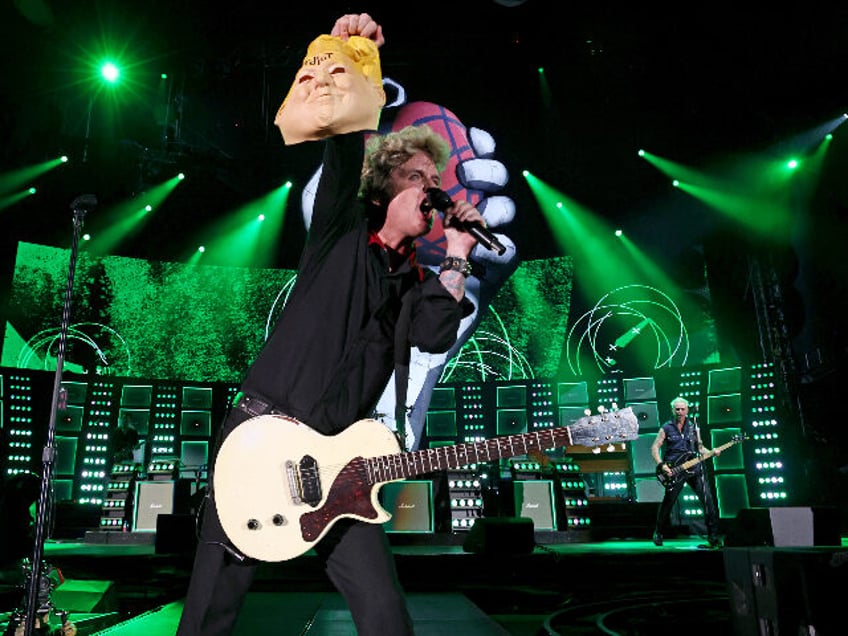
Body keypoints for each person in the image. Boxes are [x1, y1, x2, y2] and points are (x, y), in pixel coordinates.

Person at [176, 13, 482, 636]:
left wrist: (458, 251)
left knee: (383, 608)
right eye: (418, 178)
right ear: (384, 185)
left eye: (436, 180)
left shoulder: (415, 284)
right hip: (262, 435)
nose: (432, 189)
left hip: (339, 460)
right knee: (213, 603)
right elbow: (344, 141)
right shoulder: (341, 231)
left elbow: (434, 335)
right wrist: (355, 53)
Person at [651, 396, 723, 549]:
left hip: (694, 468)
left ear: (687, 410)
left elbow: (700, 448)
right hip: (674, 470)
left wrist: (712, 452)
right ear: (672, 410)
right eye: (677, 409)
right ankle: (658, 531)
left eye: (683, 409)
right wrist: (661, 464)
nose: (680, 412)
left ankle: (713, 536)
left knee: (708, 501)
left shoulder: (693, 427)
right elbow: (655, 447)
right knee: (668, 502)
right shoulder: (666, 427)